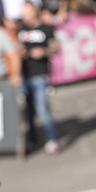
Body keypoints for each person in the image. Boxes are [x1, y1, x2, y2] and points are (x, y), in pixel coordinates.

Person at [17, 0, 59, 155]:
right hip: (24, 74)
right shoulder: (20, 29)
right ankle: (32, 140)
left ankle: (52, 138)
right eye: (24, 11)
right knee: (27, 111)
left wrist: (44, 52)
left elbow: (55, 48)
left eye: (29, 11)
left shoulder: (46, 28)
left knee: (42, 108)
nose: (26, 14)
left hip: (40, 73)